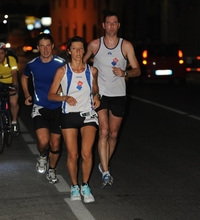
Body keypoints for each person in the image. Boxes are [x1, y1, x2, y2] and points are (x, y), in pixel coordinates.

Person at [83, 11, 141, 188]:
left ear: (118, 26)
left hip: (119, 94)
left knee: (114, 135)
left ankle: (104, 162)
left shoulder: (126, 46)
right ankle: (106, 172)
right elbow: (81, 64)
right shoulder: (95, 45)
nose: (111, 26)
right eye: (108, 23)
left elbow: (137, 70)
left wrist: (125, 73)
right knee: (104, 131)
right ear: (103, 25)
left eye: (114, 23)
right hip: (100, 94)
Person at [48, 36, 100, 203]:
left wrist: (97, 96)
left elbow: (95, 89)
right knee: (73, 154)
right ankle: (74, 186)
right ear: (69, 51)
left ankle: (85, 185)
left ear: (85, 50)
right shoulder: (62, 71)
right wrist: (65, 98)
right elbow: (51, 95)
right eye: (75, 49)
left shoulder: (92, 71)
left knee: (86, 153)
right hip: (69, 115)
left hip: (88, 115)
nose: (78, 52)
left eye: (81, 48)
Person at [21, 33, 65, 184]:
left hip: (58, 108)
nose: (45, 50)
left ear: (52, 46)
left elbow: (71, 78)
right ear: (38, 47)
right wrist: (27, 94)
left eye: (48, 46)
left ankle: (52, 169)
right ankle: (42, 156)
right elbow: (24, 77)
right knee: (43, 142)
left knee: (55, 143)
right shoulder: (32, 64)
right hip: (40, 106)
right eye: (42, 46)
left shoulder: (61, 63)